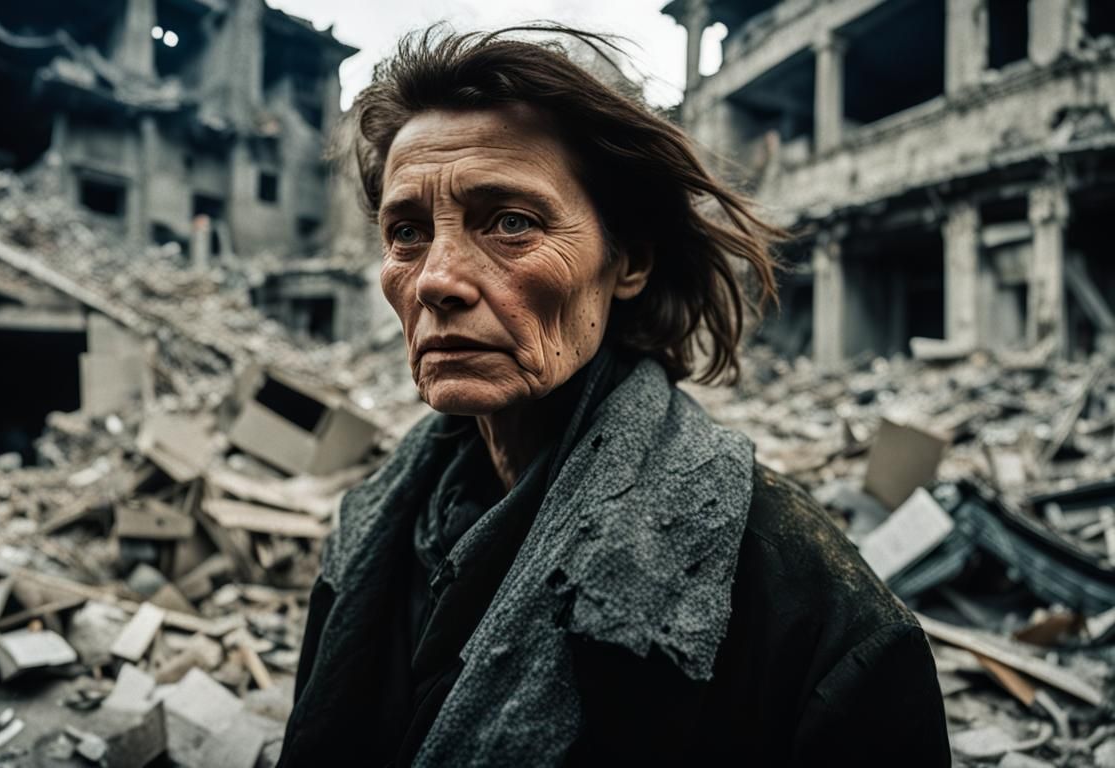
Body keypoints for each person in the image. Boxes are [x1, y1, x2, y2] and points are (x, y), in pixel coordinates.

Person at [277, 26, 949, 767]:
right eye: (406, 232)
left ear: (626, 261)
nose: (437, 278)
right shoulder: (373, 533)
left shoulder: (800, 602)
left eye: (510, 223)